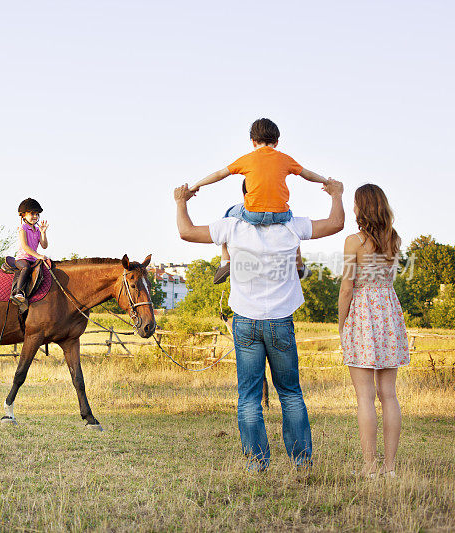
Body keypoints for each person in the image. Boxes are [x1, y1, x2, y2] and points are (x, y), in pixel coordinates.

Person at [174, 178, 345, 472]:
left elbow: (186, 231)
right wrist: (336, 194)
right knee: (290, 393)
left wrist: (181, 201)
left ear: (245, 196)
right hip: (280, 319)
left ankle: (257, 464)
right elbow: (336, 223)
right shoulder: (292, 225)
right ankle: (302, 462)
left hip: (246, 320)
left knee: (249, 396)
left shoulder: (232, 224)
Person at [188, 118, 330, 284]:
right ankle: (299, 265)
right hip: (281, 215)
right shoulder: (285, 159)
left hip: (253, 214)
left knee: (229, 212)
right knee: (293, 224)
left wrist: (196, 185)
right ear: (276, 142)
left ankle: (225, 261)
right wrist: (326, 181)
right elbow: (307, 174)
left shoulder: (247, 159)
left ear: (253, 141)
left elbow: (219, 174)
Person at [338, 184, 409, 478]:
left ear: (362, 208)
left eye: (355, 203)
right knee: (389, 395)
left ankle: (370, 468)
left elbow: (347, 287)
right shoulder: (394, 239)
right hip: (389, 313)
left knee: (365, 397)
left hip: (364, 314)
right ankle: (389, 469)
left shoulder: (353, 241)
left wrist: (342, 324)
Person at [12, 198, 50, 305]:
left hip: (33, 259)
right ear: (24, 215)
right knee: (26, 268)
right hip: (22, 259)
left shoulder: (37, 230)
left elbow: (44, 245)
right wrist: (38, 256)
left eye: (37, 214)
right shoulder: (22, 228)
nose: (35, 216)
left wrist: (43, 233)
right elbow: (25, 246)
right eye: (32, 214)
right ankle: (18, 292)